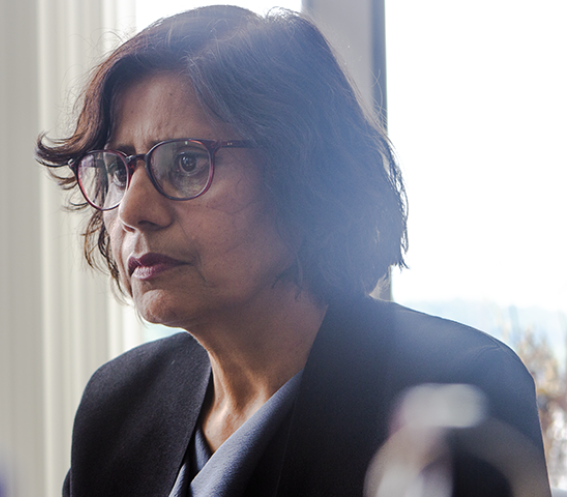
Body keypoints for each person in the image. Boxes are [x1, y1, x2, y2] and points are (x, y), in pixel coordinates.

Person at [36, 6, 548, 497]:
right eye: (118, 171)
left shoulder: (457, 388)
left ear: (305, 176)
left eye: (187, 163)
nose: (133, 210)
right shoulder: (119, 404)